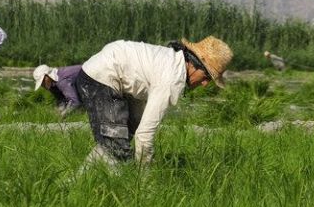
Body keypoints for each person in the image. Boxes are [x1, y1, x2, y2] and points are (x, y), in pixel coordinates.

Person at [76, 36, 232, 168]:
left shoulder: (171, 61)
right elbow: (144, 136)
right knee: (117, 150)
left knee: (120, 137)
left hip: (107, 73)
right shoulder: (172, 78)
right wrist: (146, 178)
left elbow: (139, 125)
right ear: (194, 64)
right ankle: (134, 188)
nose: (204, 84)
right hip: (101, 77)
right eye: (206, 77)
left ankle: (73, 183)